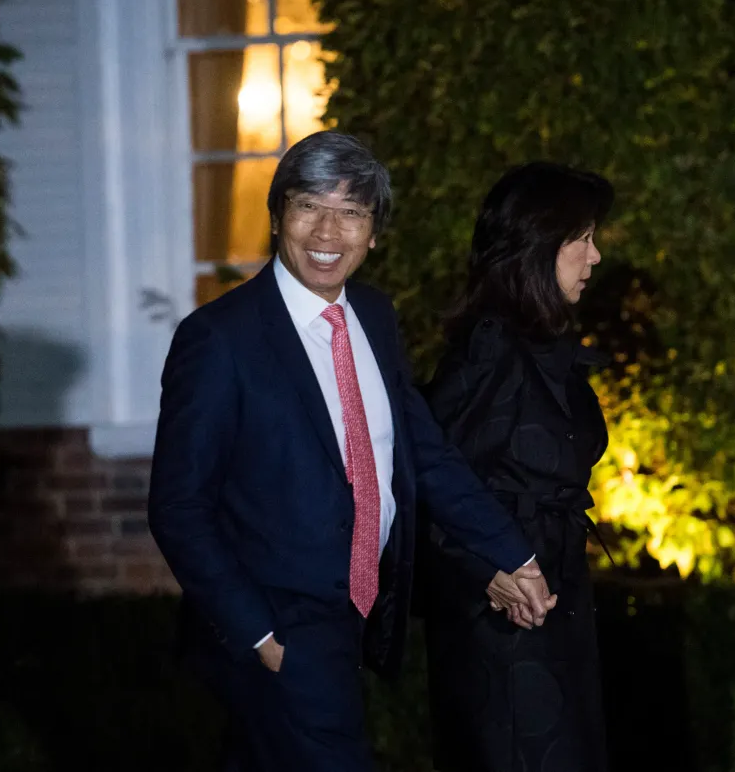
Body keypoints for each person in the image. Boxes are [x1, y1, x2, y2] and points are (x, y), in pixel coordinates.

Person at [147, 131, 556, 772]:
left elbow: (422, 450)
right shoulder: (218, 339)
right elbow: (178, 505)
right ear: (278, 214)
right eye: (310, 204)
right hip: (285, 624)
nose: (327, 231)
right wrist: (259, 632)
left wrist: (512, 552)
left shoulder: (373, 314)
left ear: (374, 234)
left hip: (359, 613)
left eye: (352, 212)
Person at [417, 162, 614, 772]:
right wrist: (489, 569)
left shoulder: (542, 345)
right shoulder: (491, 347)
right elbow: (427, 478)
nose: (595, 256)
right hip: (504, 633)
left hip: (554, 610)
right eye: (580, 240)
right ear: (534, 249)